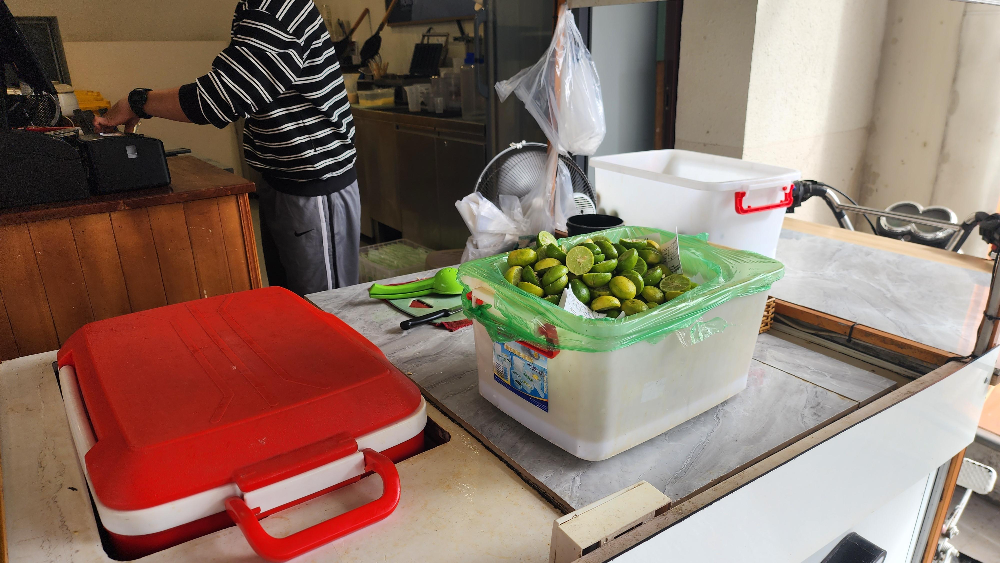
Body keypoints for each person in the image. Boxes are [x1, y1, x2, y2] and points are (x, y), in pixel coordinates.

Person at [95, 0, 360, 295]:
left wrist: (137, 102)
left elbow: (220, 98)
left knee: (326, 306)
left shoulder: (273, 7)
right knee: (293, 301)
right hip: (284, 179)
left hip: (313, 185)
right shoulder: (255, 7)